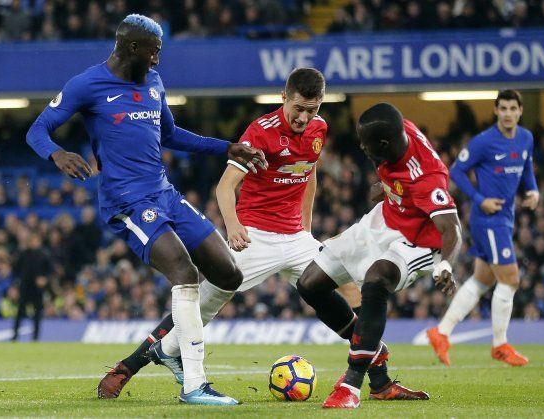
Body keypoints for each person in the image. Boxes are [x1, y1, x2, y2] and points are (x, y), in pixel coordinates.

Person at [26, 14, 267, 406]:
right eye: (154, 53)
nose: (157, 61)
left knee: (229, 274)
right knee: (185, 274)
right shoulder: (87, 84)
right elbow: (37, 129)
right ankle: (195, 385)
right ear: (131, 49)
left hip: (165, 194)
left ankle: (167, 349)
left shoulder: (153, 82)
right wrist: (57, 153)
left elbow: (170, 134)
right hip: (127, 203)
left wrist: (227, 146)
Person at [149, 69, 421, 400]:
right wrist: (233, 226)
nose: (305, 117)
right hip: (255, 235)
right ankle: (146, 357)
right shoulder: (260, 132)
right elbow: (225, 186)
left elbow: (309, 174)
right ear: (284, 98)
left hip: (295, 238)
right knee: (204, 302)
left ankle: (378, 379)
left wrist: (305, 228)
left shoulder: (319, 129)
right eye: (299, 108)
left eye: (313, 109)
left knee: (349, 287)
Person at [296, 103, 462, 409]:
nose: (362, 148)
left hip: (418, 242)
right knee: (310, 283)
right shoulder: (395, 132)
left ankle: (351, 384)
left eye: (366, 144)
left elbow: (451, 227)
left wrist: (446, 264)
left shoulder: (428, 175)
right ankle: (378, 367)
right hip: (385, 218)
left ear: (384, 144)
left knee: (376, 279)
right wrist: (387, 188)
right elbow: (399, 178)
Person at [427, 90, 539, 367]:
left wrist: (533, 190)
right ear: (496, 110)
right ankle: (500, 344)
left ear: (520, 111)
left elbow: (527, 169)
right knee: (510, 279)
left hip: (506, 217)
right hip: (488, 219)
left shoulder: (526, 138)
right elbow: (456, 171)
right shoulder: (484, 141)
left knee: (482, 280)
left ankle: (441, 333)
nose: (508, 113)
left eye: (513, 108)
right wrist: (479, 199)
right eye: (503, 108)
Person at [12, 232, 51, 341]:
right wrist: (15, 285)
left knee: (37, 314)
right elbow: (16, 270)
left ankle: (35, 338)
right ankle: (14, 336)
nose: (34, 243)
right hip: (25, 288)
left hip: (37, 290)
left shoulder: (44, 255)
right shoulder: (23, 254)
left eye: (36, 240)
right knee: (20, 313)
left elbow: (49, 270)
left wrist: (44, 279)